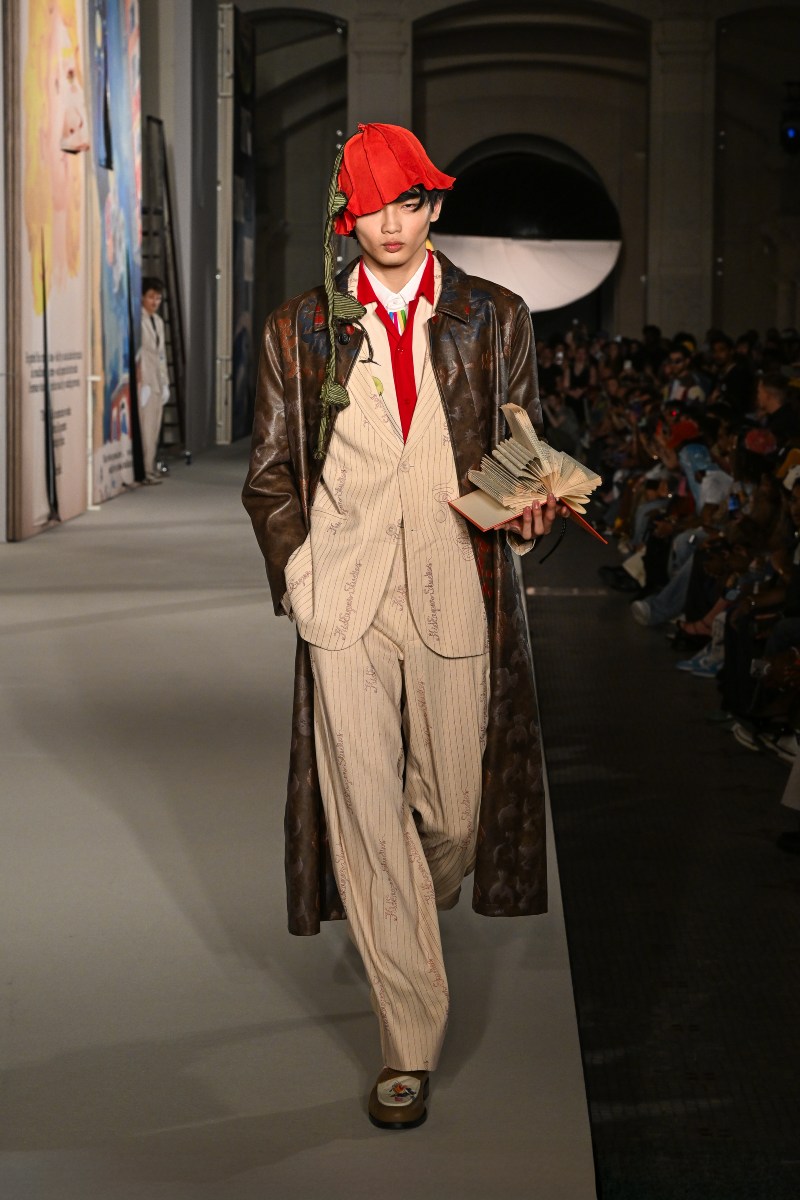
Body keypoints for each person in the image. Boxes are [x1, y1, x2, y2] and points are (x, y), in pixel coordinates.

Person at [242, 123, 564, 1130]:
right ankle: (407, 1042)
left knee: (454, 816)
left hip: (454, 584)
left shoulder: (493, 316)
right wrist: (301, 579)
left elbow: (524, 445)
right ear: (348, 216)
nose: (391, 223)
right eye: (372, 205)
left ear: (433, 204)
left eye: (409, 201)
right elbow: (270, 477)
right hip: (342, 600)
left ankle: (409, 904)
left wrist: (532, 513)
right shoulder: (299, 327)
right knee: (368, 816)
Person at [139, 276, 171, 483]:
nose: (155, 302)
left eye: (158, 298)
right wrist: (142, 383)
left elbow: (161, 355)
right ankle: (144, 470)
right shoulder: (138, 320)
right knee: (145, 428)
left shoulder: (158, 322)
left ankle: (150, 467)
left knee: (154, 429)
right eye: (151, 297)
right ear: (142, 297)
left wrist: (165, 382)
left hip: (157, 382)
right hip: (145, 382)